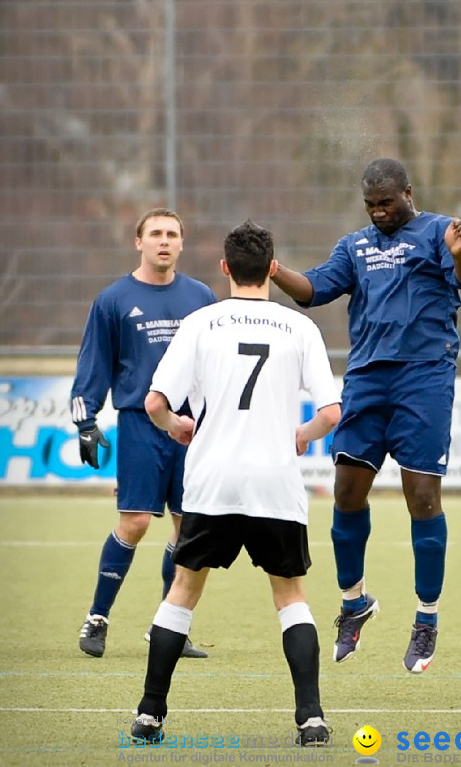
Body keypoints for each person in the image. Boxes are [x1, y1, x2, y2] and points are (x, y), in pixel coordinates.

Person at [129, 219, 341, 747]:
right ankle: (310, 719)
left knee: (183, 591)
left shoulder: (201, 323)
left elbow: (155, 403)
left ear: (225, 267)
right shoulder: (301, 329)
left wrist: (175, 425)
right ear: (272, 268)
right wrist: (302, 434)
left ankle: (150, 715)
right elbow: (332, 413)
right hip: (274, 484)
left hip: (213, 482)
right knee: (290, 596)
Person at [271, 158, 461, 672]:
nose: (378, 212)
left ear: (408, 193)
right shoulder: (354, 245)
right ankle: (354, 604)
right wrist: (275, 272)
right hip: (367, 379)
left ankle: (426, 619)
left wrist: (459, 257)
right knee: (346, 493)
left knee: (423, 498)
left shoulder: (440, 231)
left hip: (424, 378)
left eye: (386, 202)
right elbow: (315, 290)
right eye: (370, 205)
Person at [71, 207, 216, 660]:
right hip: (139, 423)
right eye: (155, 233)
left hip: (192, 428)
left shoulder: (202, 296)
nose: (164, 241)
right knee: (133, 523)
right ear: (139, 242)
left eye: (172, 234)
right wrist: (86, 422)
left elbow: (217, 364)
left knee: (187, 530)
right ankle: (97, 617)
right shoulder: (113, 300)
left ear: (181, 243)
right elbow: (94, 364)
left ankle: (166, 626)